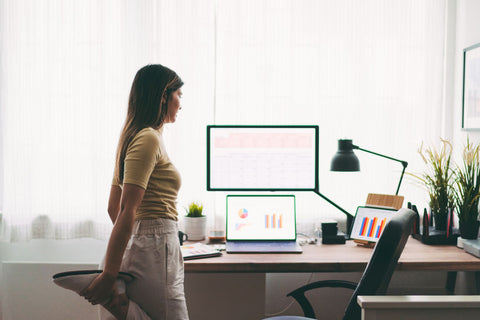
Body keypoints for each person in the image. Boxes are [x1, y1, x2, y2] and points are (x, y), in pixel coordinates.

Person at [81, 64, 189, 319]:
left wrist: (133, 243)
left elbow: (113, 208)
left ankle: (121, 303)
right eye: (179, 96)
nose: (181, 104)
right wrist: (109, 273)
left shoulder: (134, 136)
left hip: (146, 245)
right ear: (164, 96)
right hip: (153, 248)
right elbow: (126, 209)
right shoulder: (148, 138)